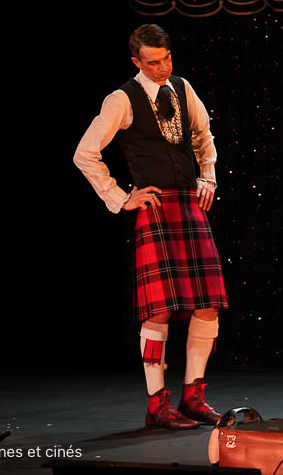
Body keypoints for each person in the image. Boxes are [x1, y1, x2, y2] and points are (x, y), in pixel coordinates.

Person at [74, 24, 227, 429]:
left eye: (167, 59)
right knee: (158, 310)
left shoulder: (183, 88)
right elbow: (85, 153)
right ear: (137, 62)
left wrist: (208, 178)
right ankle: (157, 404)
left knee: (208, 304)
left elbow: (203, 136)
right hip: (156, 207)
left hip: (188, 204)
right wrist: (121, 197)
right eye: (154, 62)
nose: (163, 68)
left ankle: (193, 396)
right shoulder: (121, 99)